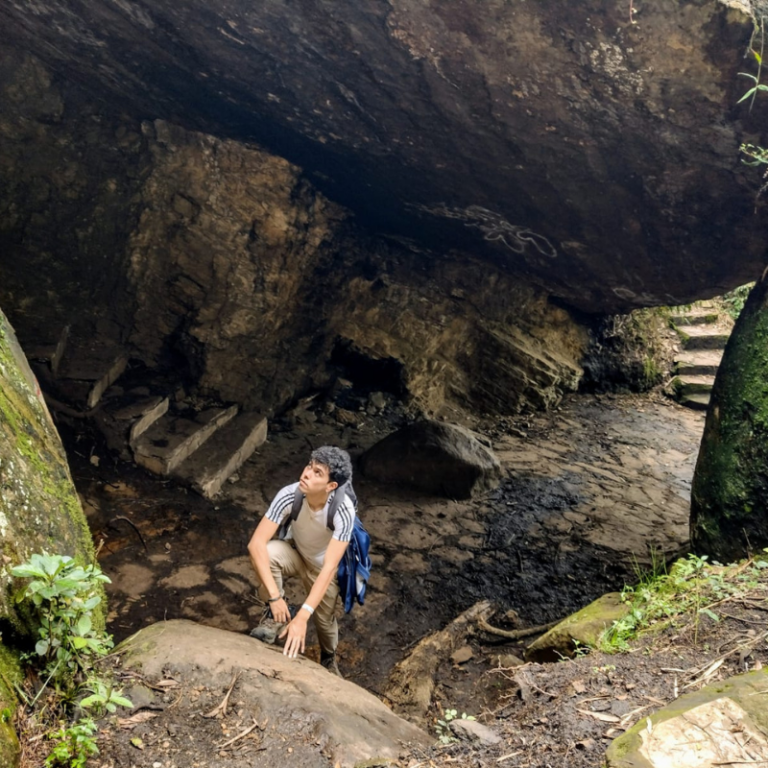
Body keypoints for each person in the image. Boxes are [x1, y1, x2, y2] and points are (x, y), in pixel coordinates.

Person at [247, 446, 355, 676]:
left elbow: (329, 568)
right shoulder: (290, 493)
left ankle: (328, 657)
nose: (306, 473)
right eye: (309, 466)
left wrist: (303, 617)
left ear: (331, 486)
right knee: (267, 552)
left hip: (321, 568)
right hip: (295, 553)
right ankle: (276, 616)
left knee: (324, 622)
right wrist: (275, 598)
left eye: (317, 472)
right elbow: (255, 545)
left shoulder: (343, 510)